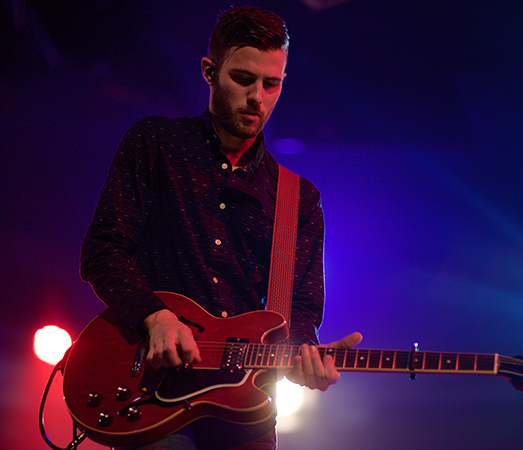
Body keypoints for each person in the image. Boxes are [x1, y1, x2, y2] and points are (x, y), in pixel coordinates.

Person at [80, 5, 362, 450]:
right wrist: (155, 316)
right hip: (151, 389)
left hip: (245, 409)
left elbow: (301, 311)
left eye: (272, 84)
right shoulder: (155, 145)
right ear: (210, 72)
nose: (258, 97)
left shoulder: (297, 199)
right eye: (244, 79)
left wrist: (306, 354)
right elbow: (103, 249)